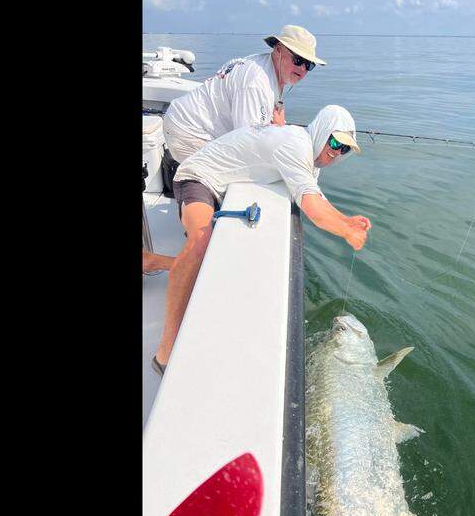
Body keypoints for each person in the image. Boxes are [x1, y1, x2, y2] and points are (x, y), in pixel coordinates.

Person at [151, 105, 371, 375]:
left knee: (205, 256)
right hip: (197, 178)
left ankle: (156, 262)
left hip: (222, 187)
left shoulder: (308, 156)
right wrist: (347, 233)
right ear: (322, 131)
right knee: (200, 241)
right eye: (335, 142)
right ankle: (165, 352)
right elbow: (313, 209)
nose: (336, 151)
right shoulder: (296, 145)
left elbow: (315, 196)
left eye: (344, 148)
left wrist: (346, 220)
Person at [144, 25, 325, 273]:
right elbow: (249, 146)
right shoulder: (256, 82)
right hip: (190, 132)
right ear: (279, 50)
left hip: (196, 126)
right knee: (211, 180)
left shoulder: (271, 71)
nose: (303, 69)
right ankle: (175, 250)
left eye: (309, 65)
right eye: (299, 60)